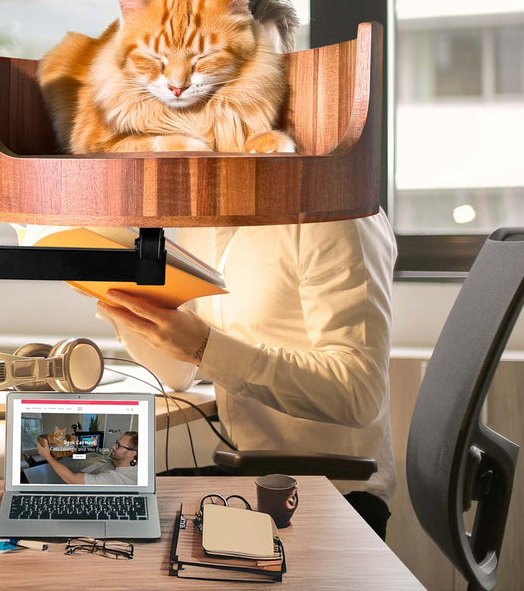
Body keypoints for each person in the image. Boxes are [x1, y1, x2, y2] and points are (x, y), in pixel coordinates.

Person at [97, 212, 397, 538]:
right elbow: (181, 371)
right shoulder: (203, 221)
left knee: (109, 524)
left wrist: (205, 347)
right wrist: (117, 301)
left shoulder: (337, 215)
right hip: (248, 476)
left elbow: (357, 392)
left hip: (334, 494)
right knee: (94, 506)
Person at [36, 431, 140, 486]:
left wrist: (47, 456)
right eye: (116, 443)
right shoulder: (139, 468)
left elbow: (72, 479)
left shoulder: (112, 479)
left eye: (118, 445)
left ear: (131, 453)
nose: (113, 446)